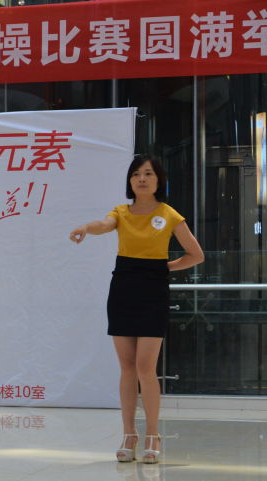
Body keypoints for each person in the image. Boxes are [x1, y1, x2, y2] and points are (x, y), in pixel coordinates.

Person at [69, 155, 203, 464]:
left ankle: (153, 434)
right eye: (136, 174)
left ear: (158, 180)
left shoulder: (169, 214)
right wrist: (86, 227)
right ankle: (129, 434)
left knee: (145, 367)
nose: (141, 179)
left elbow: (196, 254)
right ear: (130, 181)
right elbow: (104, 225)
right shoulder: (120, 212)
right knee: (127, 367)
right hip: (123, 288)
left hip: (153, 291)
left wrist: (166, 267)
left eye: (148, 174)